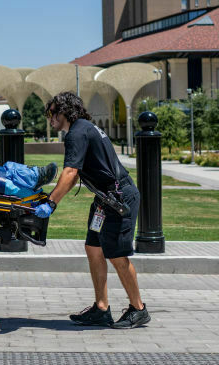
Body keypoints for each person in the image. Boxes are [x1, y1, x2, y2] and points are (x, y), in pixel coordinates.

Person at [33, 91, 150, 329]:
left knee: (116, 254)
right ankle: (101, 308)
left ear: (64, 111)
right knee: (93, 248)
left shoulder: (77, 133)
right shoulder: (85, 128)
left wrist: (51, 202)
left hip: (119, 199)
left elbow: (70, 173)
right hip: (104, 200)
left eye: (52, 113)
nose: (50, 118)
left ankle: (138, 309)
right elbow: (75, 175)